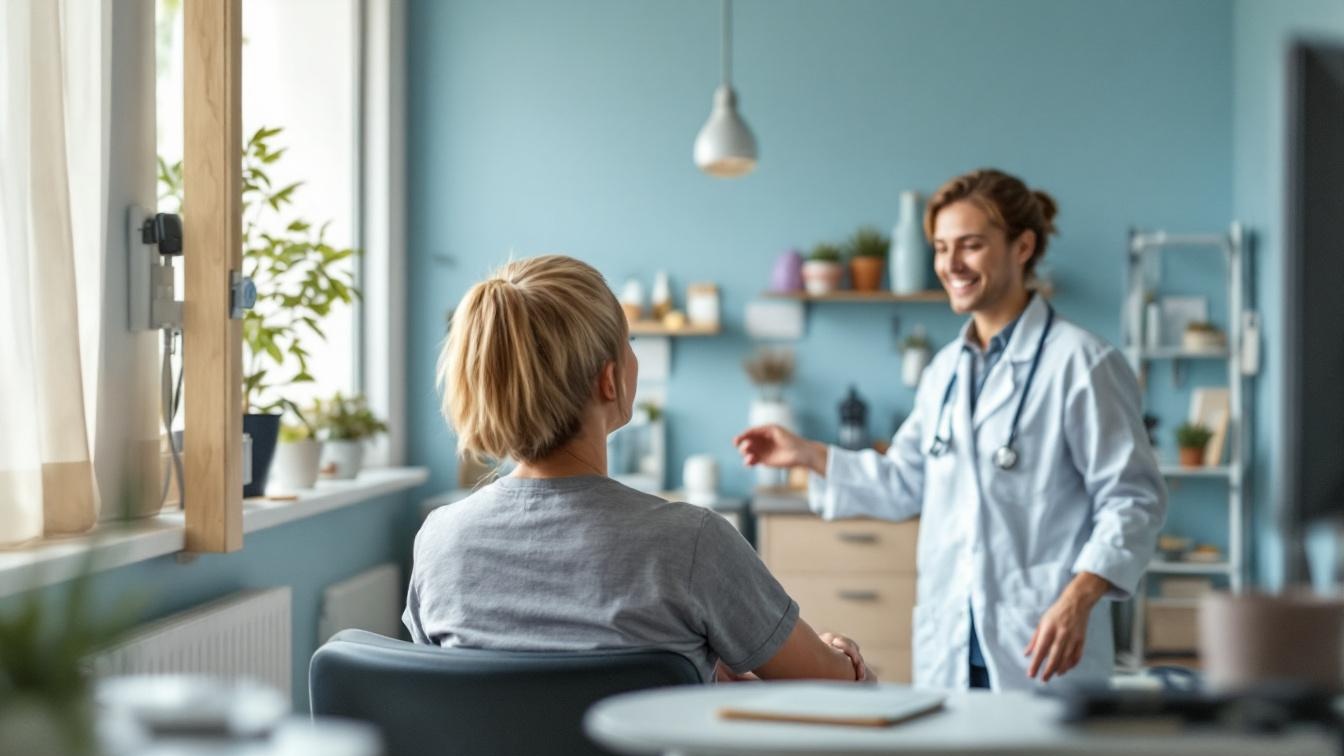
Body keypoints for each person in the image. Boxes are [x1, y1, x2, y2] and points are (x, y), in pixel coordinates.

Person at [735, 169, 1166, 691]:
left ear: (1023, 247)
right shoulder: (945, 371)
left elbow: (1132, 499)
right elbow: (904, 481)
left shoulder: (1082, 363)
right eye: (941, 248)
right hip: (954, 641)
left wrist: (1079, 598)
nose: (950, 264)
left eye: (971, 245)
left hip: (1042, 639)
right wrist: (807, 454)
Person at [405, 255, 872, 684]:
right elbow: (832, 690)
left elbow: (469, 696)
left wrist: (704, 674)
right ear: (609, 380)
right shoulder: (693, 542)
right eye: (628, 344)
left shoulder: (440, 542)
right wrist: (845, 661)